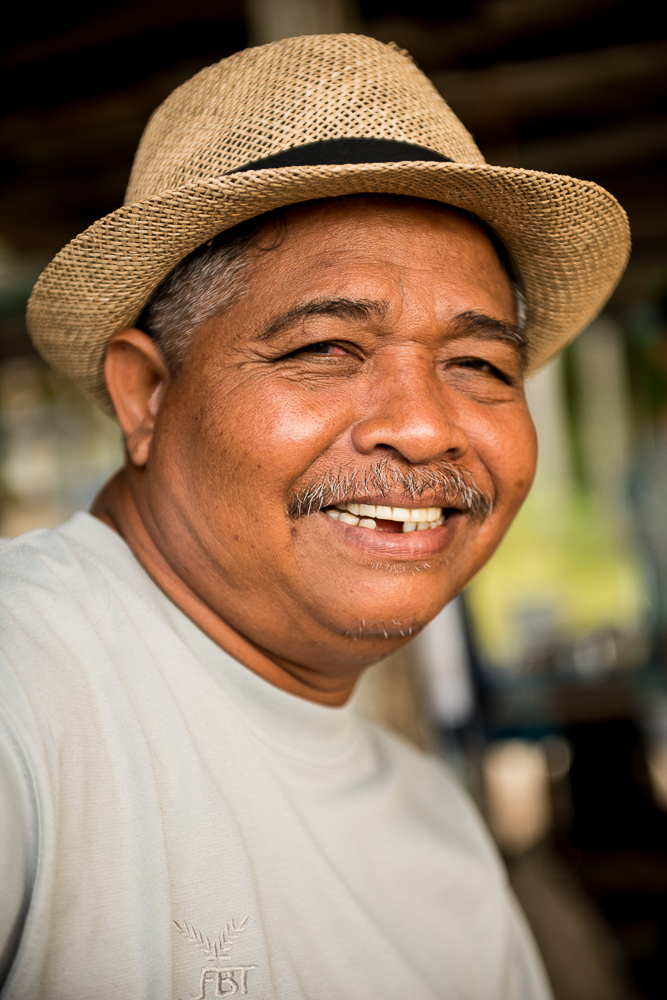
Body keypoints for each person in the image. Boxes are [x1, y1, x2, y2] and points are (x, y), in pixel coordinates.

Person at [0, 33, 629, 1000]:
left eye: (480, 367)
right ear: (146, 397)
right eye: (328, 347)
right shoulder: (23, 690)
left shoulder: (440, 831)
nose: (424, 428)